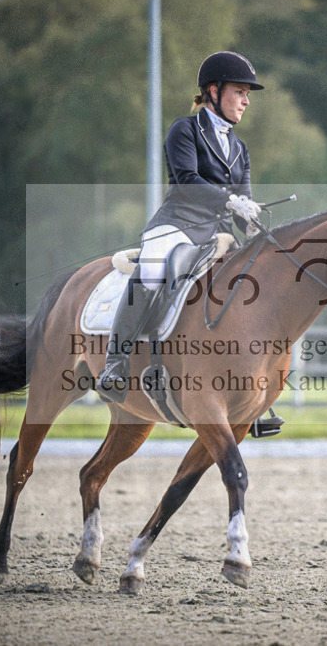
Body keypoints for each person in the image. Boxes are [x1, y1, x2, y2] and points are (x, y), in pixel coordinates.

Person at [95, 51, 264, 405]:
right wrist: (230, 202)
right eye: (239, 91)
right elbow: (187, 179)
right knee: (153, 272)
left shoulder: (239, 148)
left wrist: (251, 224)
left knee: (252, 285)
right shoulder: (184, 130)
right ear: (214, 91)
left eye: (248, 94)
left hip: (217, 235)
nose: (246, 101)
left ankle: (254, 391)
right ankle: (115, 363)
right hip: (177, 225)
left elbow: (242, 200)